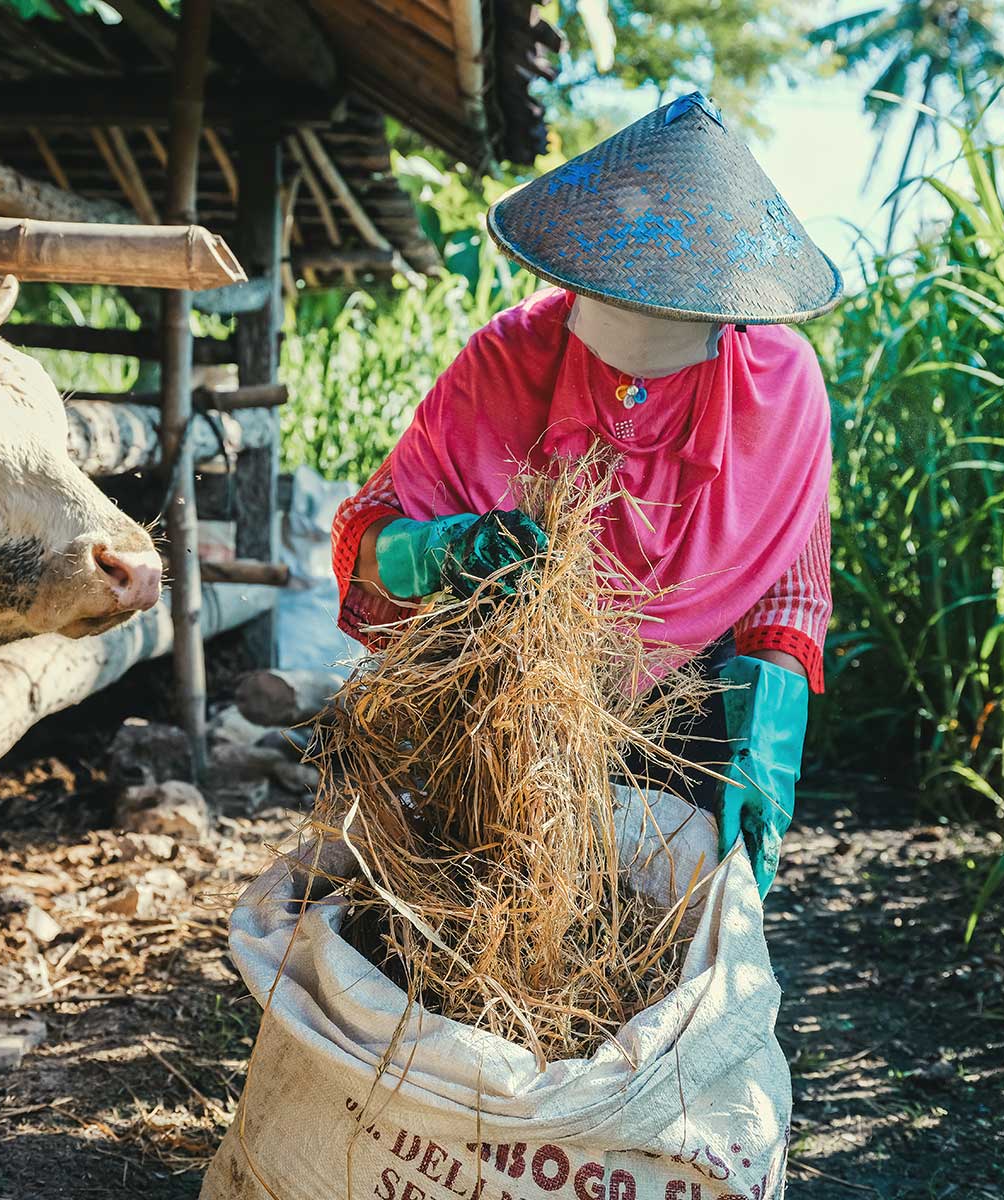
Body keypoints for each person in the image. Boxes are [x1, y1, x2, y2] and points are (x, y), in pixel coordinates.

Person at [330, 92, 841, 898]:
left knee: (660, 903)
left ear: (726, 321)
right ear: (575, 282)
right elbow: (371, 536)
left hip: (695, 703)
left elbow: (788, 586)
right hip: (512, 684)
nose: (628, 393)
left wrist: (764, 752)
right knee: (498, 889)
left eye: (661, 357)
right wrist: (444, 551)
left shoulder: (778, 391)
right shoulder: (507, 358)